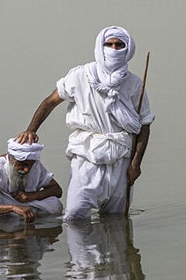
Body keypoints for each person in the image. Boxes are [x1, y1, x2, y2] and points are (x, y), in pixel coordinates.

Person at [16, 26, 153, 221]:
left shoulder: (135, 84)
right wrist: (31, 130)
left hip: (121, 157)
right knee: (75, 214)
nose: (114, 49)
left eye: (119, 45)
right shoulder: (81, 75)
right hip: (85, 154)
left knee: (116, 218)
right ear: (100, 47)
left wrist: (135, 164)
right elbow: (50, 101)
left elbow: (144, 126)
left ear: (128, 49)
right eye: (109, 44)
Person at [0, 138, 63, 223]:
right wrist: (13, 208)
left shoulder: (35, 166)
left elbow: (57, 190)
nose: (26, 170)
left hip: (23, 204)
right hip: (1, 206)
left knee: (54, 203)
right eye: (22, 164)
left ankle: (29, 224)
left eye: (29, 165)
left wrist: (32, 196)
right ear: (11, 159)